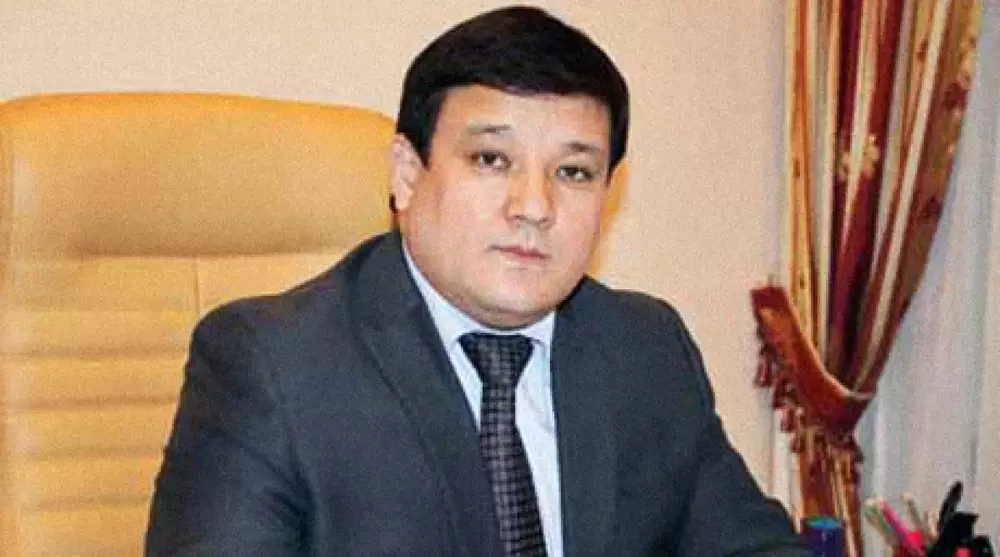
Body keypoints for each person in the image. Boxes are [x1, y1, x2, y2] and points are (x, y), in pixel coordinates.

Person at [145, 6, 808, 557]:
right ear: (407, 174)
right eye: (492, 159)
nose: (534, 206)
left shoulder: (644, 347)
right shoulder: (274, 365)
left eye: (574, 172)